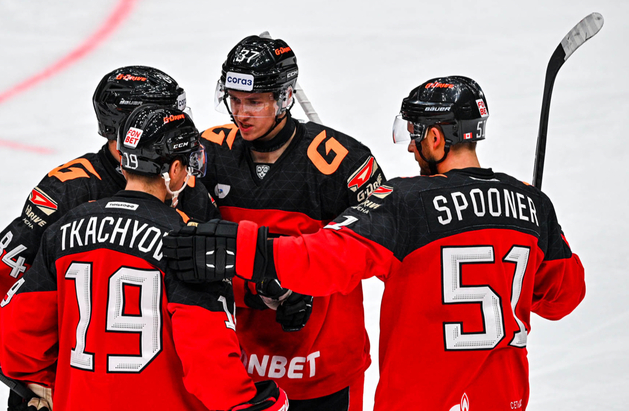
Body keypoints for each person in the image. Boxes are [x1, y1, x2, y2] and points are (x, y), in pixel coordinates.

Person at [163, 76, 586, 410]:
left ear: (436, 138)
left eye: (415, 135)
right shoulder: (531, 204)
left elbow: (323, 258)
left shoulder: (406, 201)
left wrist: (239, 247)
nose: (412, 148)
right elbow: (564, 298)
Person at [0, 66, 217, 411]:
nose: (177, 124)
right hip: (59, 382)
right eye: (164, 115)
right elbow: (5, 267)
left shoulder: (185, 182)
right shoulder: (71, 188)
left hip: (152, 380)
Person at [0, 104, 288, 411]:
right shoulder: (187, 243)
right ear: (174, 170)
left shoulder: (65, 229)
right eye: (188, 165)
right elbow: (207, 359)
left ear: (125, 163)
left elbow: (17, 328)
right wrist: (248, 402)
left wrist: (41, 383)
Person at [182, 34, 385, 410]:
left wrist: (308, 282)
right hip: (241, 371)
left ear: (286, 97)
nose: (241, 114)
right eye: (234, 100)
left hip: (325, 367)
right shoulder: (209, 155)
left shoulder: (343, 162)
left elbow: (374, 253)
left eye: (254, 102)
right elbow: (187, 249)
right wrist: (254, 288)